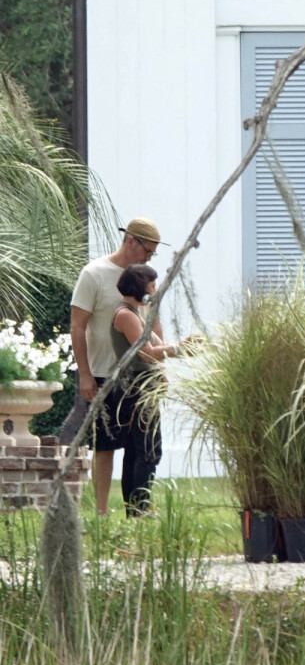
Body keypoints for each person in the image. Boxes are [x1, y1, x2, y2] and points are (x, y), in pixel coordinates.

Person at [68, 218, 164, 514]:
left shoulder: (145, 278)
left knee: (141, 447)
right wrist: (85, 374)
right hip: (103, 375)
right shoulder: (94, 274)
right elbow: (77, 326)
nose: (150, 257)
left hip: (140, 377)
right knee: (105, 446)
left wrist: (159, 368)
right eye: (147, 250)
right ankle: (101, 514)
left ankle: (136, 511)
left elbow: (154, 321)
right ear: (131, 241)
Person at [110, 263, 181, 515]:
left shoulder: (135, 312)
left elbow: (152, 351)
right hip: (136, 388)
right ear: (140, 285)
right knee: (149, 451)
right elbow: (147, 353)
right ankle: (140, 509)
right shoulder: (126, 315)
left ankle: (135, 511)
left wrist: (161, 372)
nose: (154, 289)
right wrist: (180, 348)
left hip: (140, 385)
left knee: (136, 451)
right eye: (152, 284)